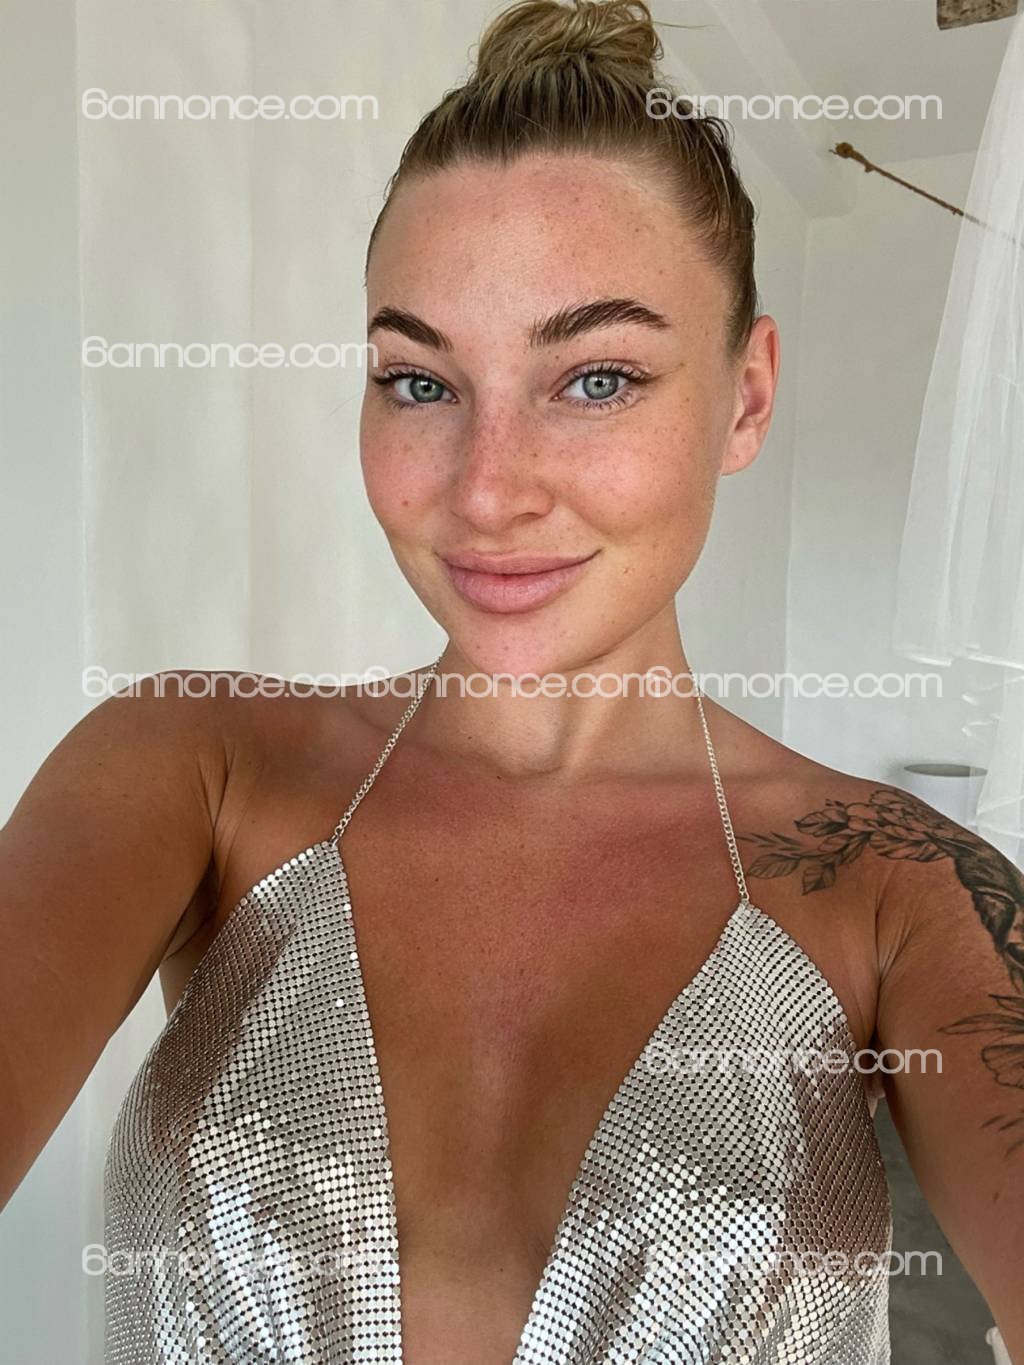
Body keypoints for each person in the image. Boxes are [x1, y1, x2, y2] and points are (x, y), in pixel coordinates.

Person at [2, 1, 1022, 1360]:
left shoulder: (900, 885)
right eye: (420, 383)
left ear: (746, 397)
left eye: (595, 379)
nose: (487, 493)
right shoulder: (194, 765)